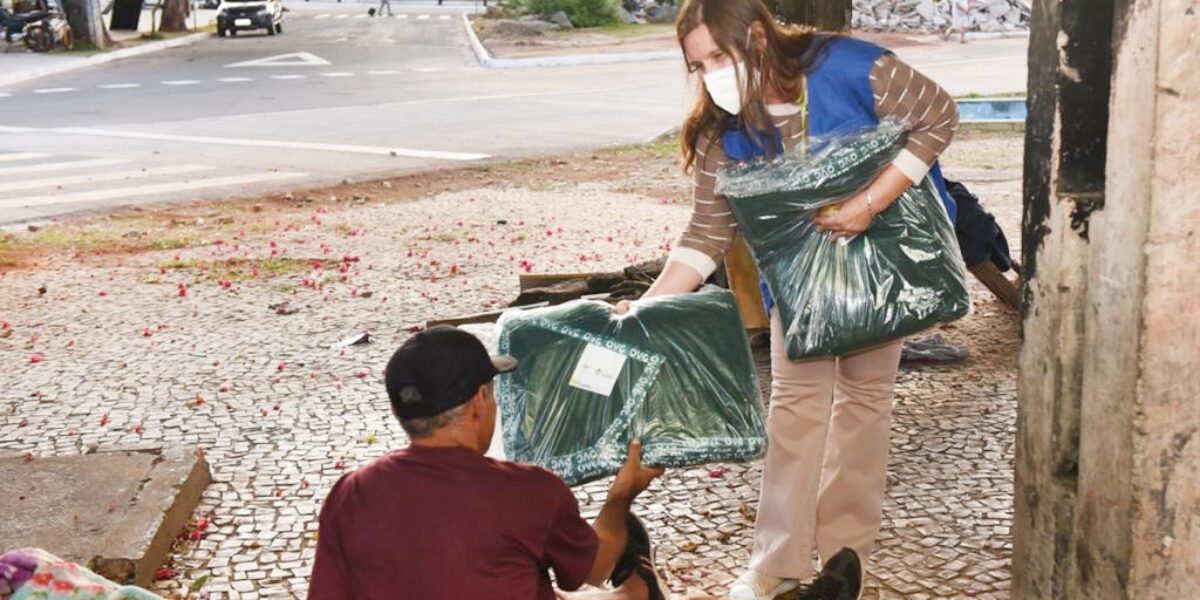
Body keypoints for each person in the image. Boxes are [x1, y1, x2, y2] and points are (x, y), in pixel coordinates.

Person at [613, 1, 961, 599]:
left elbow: (938, 115)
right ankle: (777, 562)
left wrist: (866, 204)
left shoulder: (854, 67)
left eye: (719, 57)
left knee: (865, 401)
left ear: (755, 35)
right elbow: (706, 234)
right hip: (797, 288)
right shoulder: (723, 129)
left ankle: (847, 552)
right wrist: (642, 306)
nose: (712, 75)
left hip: (882, 264)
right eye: (698, 66)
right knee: (795, 405)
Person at [308, 326, 666, 600]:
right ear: (480, 400)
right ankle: (634, 593)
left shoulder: (350, 493)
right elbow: (596, 567)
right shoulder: (528, 490)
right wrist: (621, 495)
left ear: (397, 410)